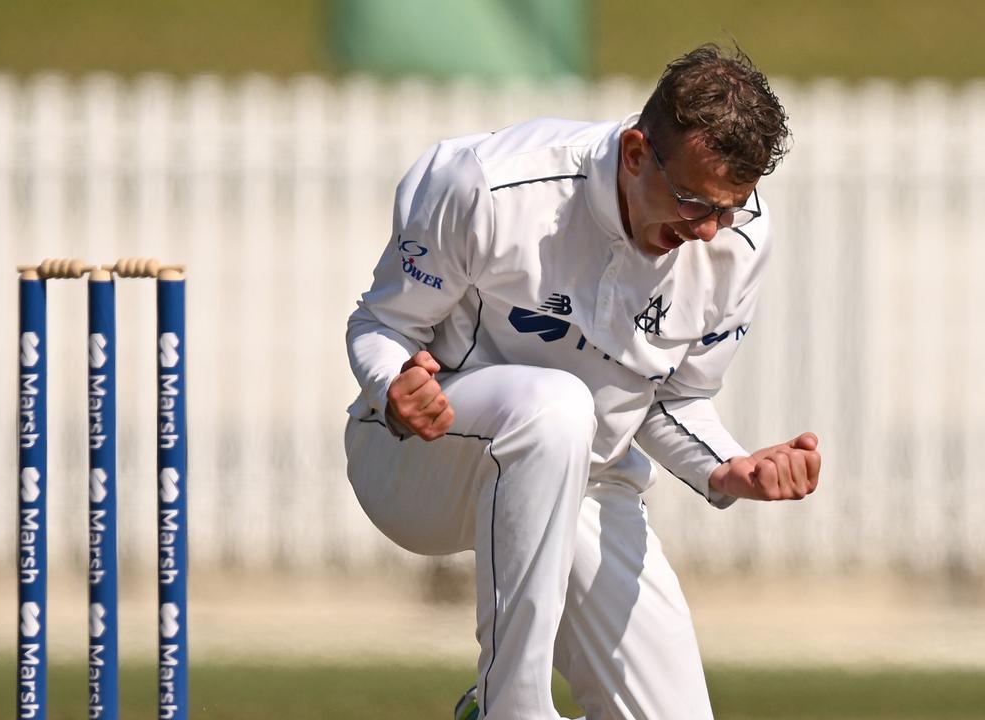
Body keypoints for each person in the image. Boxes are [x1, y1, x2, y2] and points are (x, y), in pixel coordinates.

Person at [343, 44, 821, 720]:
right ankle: (512, 709)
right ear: (634, 152)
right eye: (691, 200)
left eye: (729, 206)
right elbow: (380, 325)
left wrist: (730, 468)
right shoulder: (487, 184)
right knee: (556, 408)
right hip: (421, 458)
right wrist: (395, 386)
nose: (706, 229)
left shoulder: (736, 242)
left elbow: (671, 400)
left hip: (586, 482)